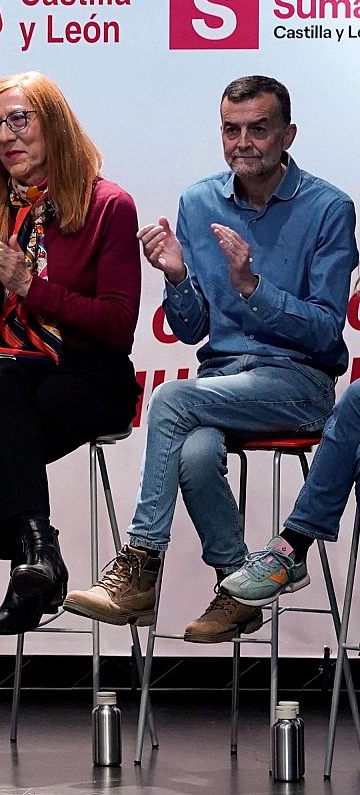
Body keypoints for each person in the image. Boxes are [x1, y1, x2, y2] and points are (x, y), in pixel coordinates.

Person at [64, 76, 358, 643]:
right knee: (195, 455)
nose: (243, 142)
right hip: (222, 380)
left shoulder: (328, 207)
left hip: (298, 383)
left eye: (258, 129)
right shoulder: (199, 202)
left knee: (171, 399)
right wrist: (176, 277)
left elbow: (326, 332)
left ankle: (139, 564)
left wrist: (253, 288)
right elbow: (193, 327)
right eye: (231, 129)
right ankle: (235, 588)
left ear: (288, 135)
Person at [0, 72, 142, 635]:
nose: (6, 135)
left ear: (53, 125)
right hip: (14, 375)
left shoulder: (108, 204)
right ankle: (39, 553)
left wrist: (31, 286)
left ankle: (33, 567)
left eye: (20, 119)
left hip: (91, 377)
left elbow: (117, 326)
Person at [220, 365, 360, 605]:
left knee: (171, 403)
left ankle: (293, 546)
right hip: (227, 376)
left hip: (295, 379)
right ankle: (288, 549)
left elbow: (325, 343)